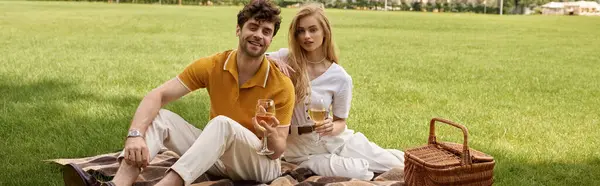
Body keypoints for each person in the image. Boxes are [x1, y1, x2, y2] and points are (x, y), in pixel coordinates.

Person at [63, 1, 295, 186]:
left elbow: (277, 152)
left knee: (221, 124)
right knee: (160, 117)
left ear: (270, 40)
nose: (258, 35)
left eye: (266, 31)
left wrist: (272, 133)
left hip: (261, 164)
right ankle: (118, 184)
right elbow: (158, 95)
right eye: (253, 27)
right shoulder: (214, 65)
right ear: (238, 29)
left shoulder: (281, 84)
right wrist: (134, 135)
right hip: (216, 157)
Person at [266, 3, 404, 181]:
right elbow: (254, 56)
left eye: (313, 30)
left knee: (398, 164)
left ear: (325, 32)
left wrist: (333, 126)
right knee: (361, 172)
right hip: (302, 152)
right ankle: (314, 165)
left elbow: (341, 121)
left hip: (337, 140)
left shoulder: (340, 77)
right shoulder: (286, 58)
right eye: (301, 31)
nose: (306, 36)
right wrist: (274, 63)